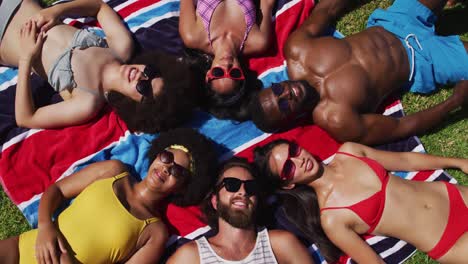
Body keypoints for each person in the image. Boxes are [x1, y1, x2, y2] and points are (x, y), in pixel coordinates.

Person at [249, 0, 468, 145]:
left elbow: (327, 10)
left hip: (395, 21)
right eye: (284, 105)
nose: (286, 94)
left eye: (277, 90)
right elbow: (402, 126)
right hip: (421, 60)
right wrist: (454, 101)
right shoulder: (337, 119)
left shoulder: (298, 50)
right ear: (291, 120)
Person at [0, 127, 218, 263]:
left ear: (182, 187)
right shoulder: (113, 171)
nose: (167, 168)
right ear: (156, 155)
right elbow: (56, 190)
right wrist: (46, 226)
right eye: (167, 157)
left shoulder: (155, 233)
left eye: (178, 171)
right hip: (22, 249)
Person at [254, 139, 468, 263]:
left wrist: (458, 162)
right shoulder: (332, 219)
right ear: (288, 185)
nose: (298, 160)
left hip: (454, 194)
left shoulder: (350, 152)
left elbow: (405, 160)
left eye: (293, 150)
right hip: (448, 240)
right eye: (288, 168)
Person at [0, 0, 198, 132]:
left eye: (143, 88)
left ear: (137, 107)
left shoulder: (87, 103)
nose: (141, 76)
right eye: (150, 72)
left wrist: (26, 58)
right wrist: (57, 10)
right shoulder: (121, 48)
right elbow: (100, 8)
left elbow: (26, 118)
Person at [167, 157, 314, 264]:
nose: (243, 192)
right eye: (232, 185)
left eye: (251, 187)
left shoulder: (281, 244)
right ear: (215, 201)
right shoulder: (191, 257)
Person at [178, 0, 275, 121]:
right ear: (242, 75)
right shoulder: (258, 41)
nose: (226, 65)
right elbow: (267, 3)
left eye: (218, 72)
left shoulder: (192, 36)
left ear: (208, 75)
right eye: (234, 73)